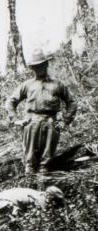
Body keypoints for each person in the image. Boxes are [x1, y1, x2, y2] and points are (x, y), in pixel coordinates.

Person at [7, 48, 77, 187]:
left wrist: (65, 121)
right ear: (32, 68)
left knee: (46, 162)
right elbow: (11, 101)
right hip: (31, 123)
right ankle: (28, 194)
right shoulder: (27, 85)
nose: (38, 68)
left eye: (41, 65)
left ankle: (43, 196)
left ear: (46, 64)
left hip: (51, 123)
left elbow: (72, 102)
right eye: (35, 66)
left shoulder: (57, 84)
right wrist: (16, 120)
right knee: (30, 162)